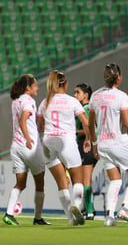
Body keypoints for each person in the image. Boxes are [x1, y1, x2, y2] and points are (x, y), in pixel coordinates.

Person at [88, 63, 128, 227]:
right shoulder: (121, 96)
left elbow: (91, 125)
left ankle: (109, 216)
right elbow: (127, 123)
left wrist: (94, 144)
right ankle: (125, 208)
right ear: (118, 77)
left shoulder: (96, 96)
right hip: (118, 142)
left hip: (103, 144)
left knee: (115, 181)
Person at [38, 71, 91, 226]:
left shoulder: (44, 102)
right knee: (78, 180)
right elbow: (86, 122)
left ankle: (70, 218)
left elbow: (40, 126)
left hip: (48, 142)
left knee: (62, 183)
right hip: (66, 141)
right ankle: (76, 205)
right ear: (65, 84)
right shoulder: (72, 101)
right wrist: (88, 139)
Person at [3, 74, 50, 226]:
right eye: (35, 85)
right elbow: (23, 120)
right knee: (40, 183)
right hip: (29, 147)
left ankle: (9, 214)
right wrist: (29, 138)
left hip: (16, 147)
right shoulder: (29, 101)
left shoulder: (16, 100)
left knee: (20, 184)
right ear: (28, 88)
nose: (37, 87)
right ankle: (37, 218)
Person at [74, 83, 96, 220]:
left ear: (86, 95)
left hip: (86, 144)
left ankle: (89, 211)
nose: (75, 95)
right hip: (85, 144)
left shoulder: (86, 108)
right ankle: (88, 208)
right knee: (82, 180)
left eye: (77, 92)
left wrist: (74, 131)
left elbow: (89, 128)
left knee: (85, 180)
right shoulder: (86, 108)